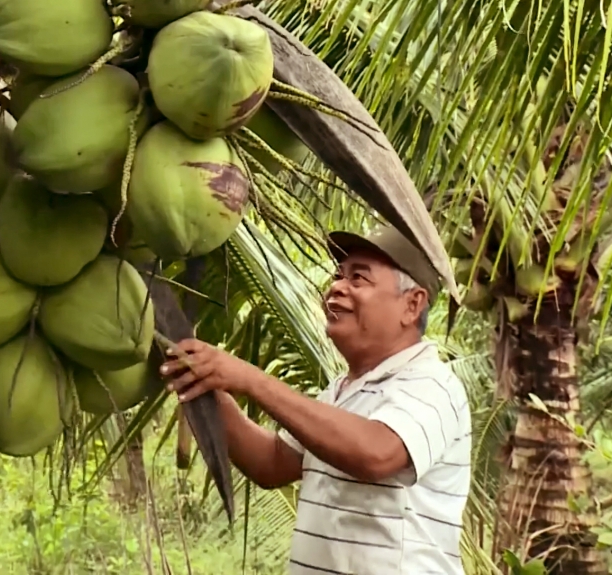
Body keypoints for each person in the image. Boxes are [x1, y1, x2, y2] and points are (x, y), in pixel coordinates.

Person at [161, 224, 472, 575]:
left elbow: (376, 453)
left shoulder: (432, 384)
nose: (336, 287)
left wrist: (250, 378)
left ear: (412, 304)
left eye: (359, 279)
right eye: (338, 276)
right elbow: (272, 463)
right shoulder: (341, 392)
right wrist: (205, 381)